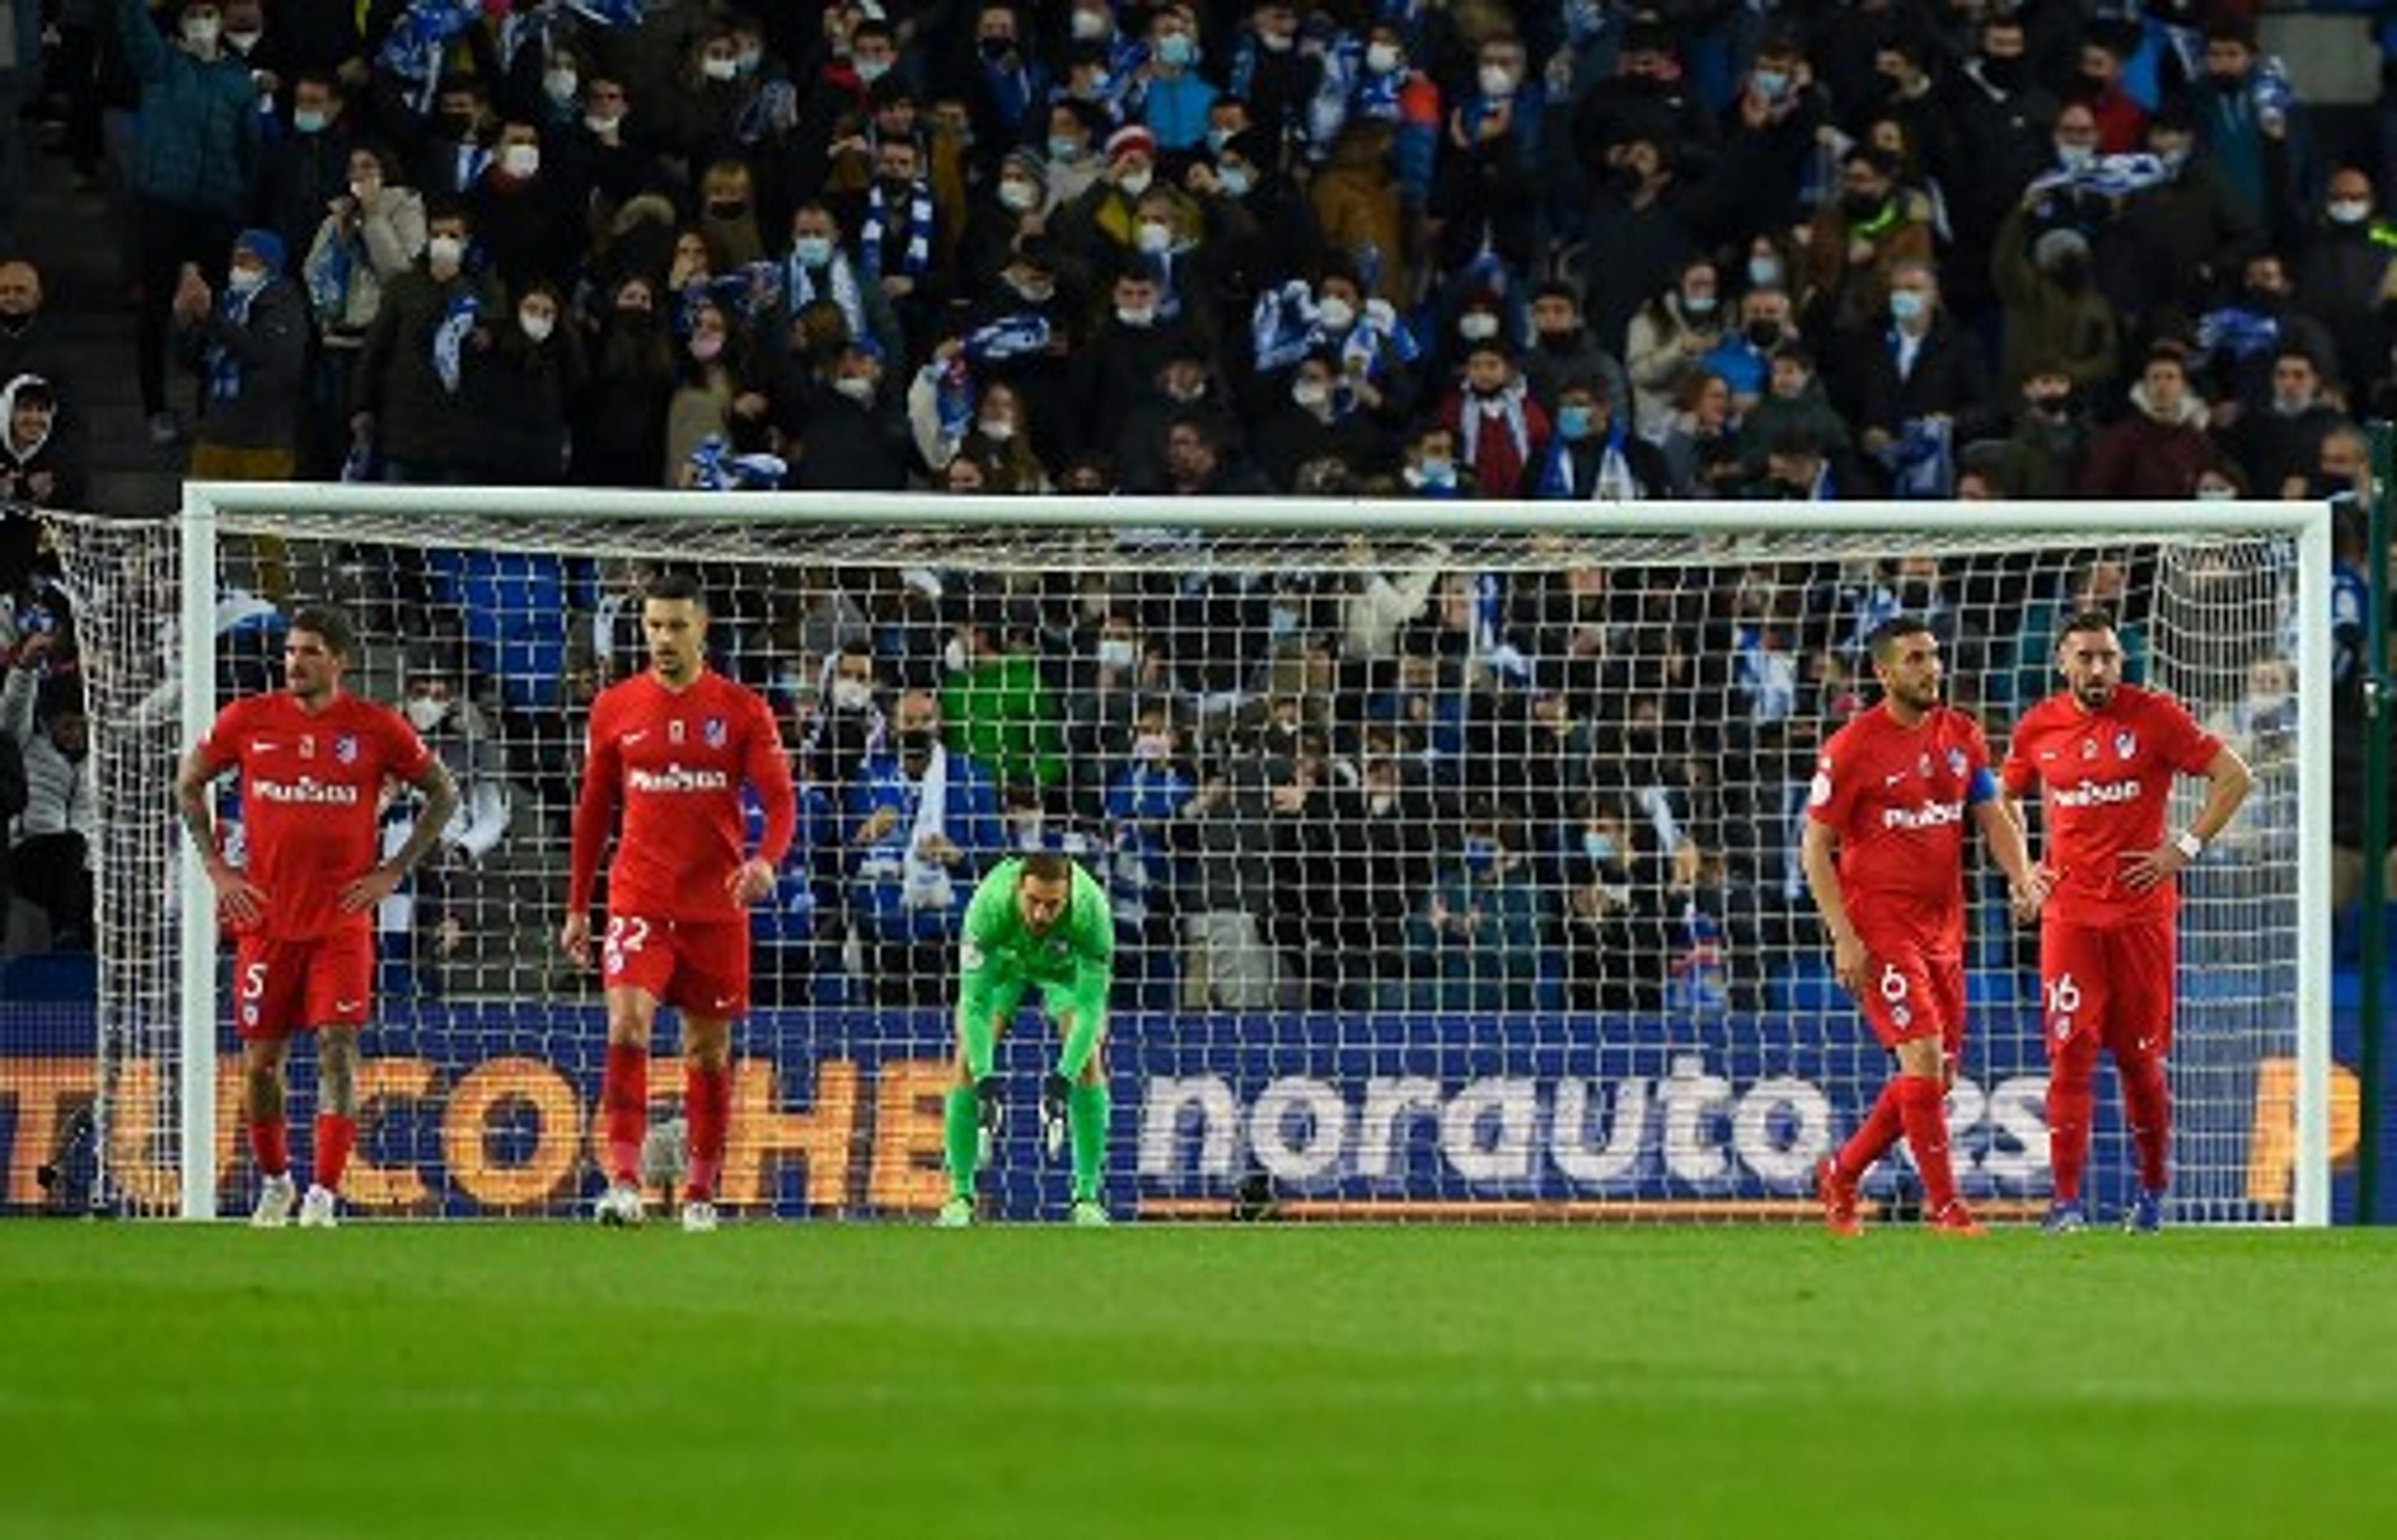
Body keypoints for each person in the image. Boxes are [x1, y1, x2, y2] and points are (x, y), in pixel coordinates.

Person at [171, 606, 459, 1227]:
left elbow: (445, 792)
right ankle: (277, 1182)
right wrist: (220, 870)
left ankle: (324, 1194)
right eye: (290, 651)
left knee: (338, 1047)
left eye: (308, 651)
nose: (294, 662)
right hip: (267, 924)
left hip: (341, 924)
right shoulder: (247, 720)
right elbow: (189, 784)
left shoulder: (375, 728)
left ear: (340, 660)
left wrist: (394, 870)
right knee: (260, 1065)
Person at [2000, 610, 2253, 1233]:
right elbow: (2003, 798)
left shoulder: (2155, 715)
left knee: (2140, 1062)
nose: (2097, 668)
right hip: (2070, 920)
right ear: (2063, 663)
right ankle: (2064, 1205)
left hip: (2143, 916)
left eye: (2107, 656)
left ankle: (2152, 1194)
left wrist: (2182, 849)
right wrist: (2025, 869)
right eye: (2084, 656)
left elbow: (2235, 777)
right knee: (2070, 1059)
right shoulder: (2038, 726)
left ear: (2120, 660)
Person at [563, 572, 797, 1232]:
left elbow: (780, 802)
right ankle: (625, 1182)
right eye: (654, 626)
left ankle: (699, 1191)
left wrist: (764, 860)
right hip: (638, 897)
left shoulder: (743, 708)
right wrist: (578, 905)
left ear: (703, 628)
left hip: (715, 907)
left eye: (676, 626)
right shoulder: (614, 707)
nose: (664, 639)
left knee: (706, 1053)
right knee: (626, 1025)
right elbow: (592, 813)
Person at [1801, 614, 2044, 1237]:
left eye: (1933, 655)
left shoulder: (1962, 734)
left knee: (1935, 1078)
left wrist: (2020, 876)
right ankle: (1946, 1208)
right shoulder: (1852, 747)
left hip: (1946, 927)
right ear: (1884, 673)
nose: (1931, 667)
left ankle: (1842, 1172)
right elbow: (1815, 848)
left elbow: (1992, 816)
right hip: (1881, 926)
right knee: (1925, 1057)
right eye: (1914, 658)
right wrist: (1844, 935)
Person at [941, 849, 1115, 1227]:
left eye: (1053, 906)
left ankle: (1086, 1198)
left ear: (1068, 896)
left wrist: (1061, 1080)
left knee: (1089, 1062)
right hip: (1005, 966)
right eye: (1033, 902)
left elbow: (1089, 1010)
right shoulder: (987, 907)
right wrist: (987, 1078)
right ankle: (959, 1196)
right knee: (966, 1061)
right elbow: (973, 1004)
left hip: (1063, 971)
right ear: (1019, 887)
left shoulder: (1093, 914)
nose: (1041, 914)